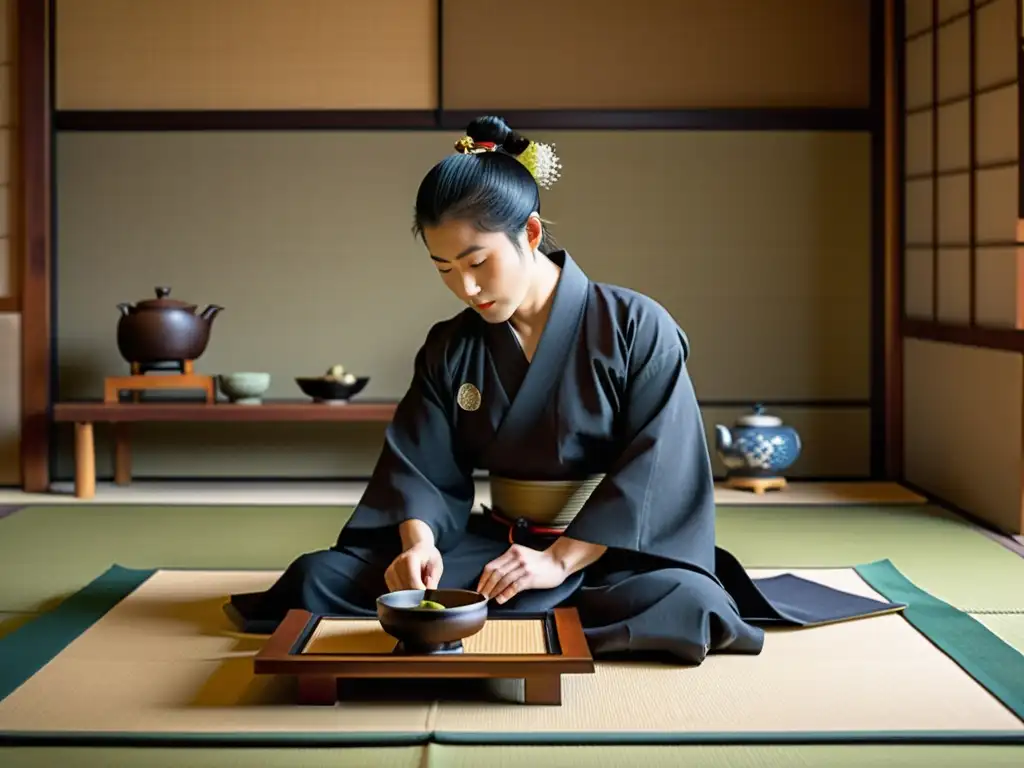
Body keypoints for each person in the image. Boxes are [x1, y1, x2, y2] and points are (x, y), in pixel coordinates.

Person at [227, 115, 900, 663]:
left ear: (531, 233)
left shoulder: (636, 326)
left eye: (477, 261)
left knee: (688, 605)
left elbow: (658, 467)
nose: (464, 287)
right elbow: (419, 466)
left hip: (604, 552)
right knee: (318, 578)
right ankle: (521, 622)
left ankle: (503, 621)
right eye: (442, 269)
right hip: (493, 548)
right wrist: (418, 546)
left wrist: (557, 561)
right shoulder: (450, 345)